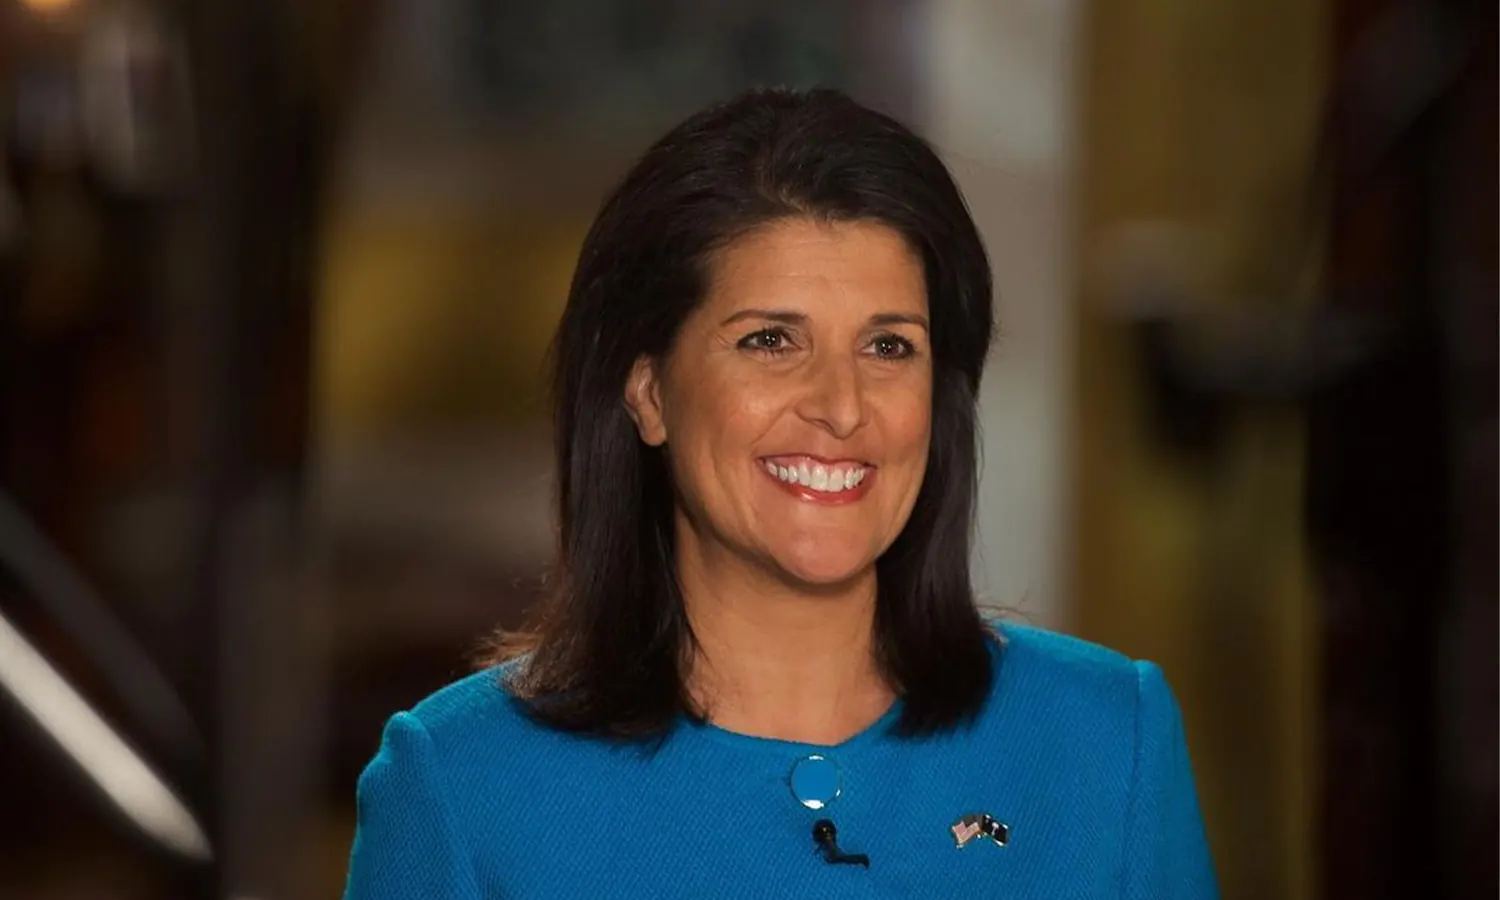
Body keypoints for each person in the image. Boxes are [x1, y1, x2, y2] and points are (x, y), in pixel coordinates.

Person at [342, 87, 1218, 899]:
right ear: (647, 391)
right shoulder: (462, 786)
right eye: (770, 341)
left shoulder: (1109, 741)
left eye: (888, 347)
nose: (842, 407)